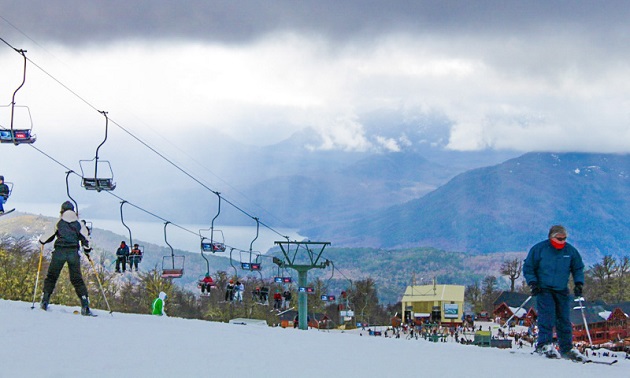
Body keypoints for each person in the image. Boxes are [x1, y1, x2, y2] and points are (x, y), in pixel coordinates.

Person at [523, 224, 586, 361]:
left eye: (564, 239)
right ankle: (544, 344)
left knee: (564, 318)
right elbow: (528, 267)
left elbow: (577, 268)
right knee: (547, 315)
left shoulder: (570, 251)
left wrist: (579, 283)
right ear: (551, 237)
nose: (562, 242)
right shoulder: (540, 249)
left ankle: (566, 348)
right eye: (559, 239)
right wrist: (533, 282)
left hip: (561, 289)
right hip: (544, 288)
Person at [38, 201, 94, 316]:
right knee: (77, 279)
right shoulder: (79, 223)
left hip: (59, 252)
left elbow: (46, 237)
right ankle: (85, 305)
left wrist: (41, 241)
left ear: (62, 210)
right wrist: (87, 251)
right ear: (73, 210)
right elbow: (86, 241)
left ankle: (45, 301)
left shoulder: (59, 222)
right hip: (73, 253)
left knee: (52, 277)